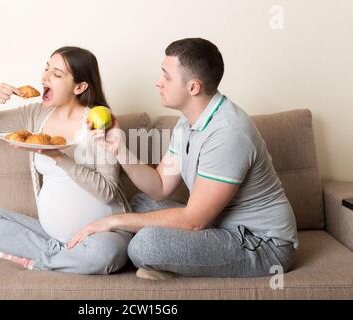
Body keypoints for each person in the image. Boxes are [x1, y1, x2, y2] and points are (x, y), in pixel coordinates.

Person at [67, 38, 299, 280]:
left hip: (263, 244)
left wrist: (113, 221)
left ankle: (164, 259)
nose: (158, 82)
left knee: (145, 244)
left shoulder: (228, 134)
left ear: (193, 88)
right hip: (219, 224)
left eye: (166, 76)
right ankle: (173, 260)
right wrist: (118, 149)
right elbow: (159, 188)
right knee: (140, 203)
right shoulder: (188, 121)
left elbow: (194, 221)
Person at [0, 46, 133, 274]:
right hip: (51, 235)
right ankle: (62, 256)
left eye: (56, 74)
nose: (44, 77)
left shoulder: (98, 122)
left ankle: (39, 261)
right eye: (46, 68)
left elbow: (107, 192)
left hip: (104, 234)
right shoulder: (36, 114)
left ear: (80, 87)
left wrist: (60, 158)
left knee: (103, 254)